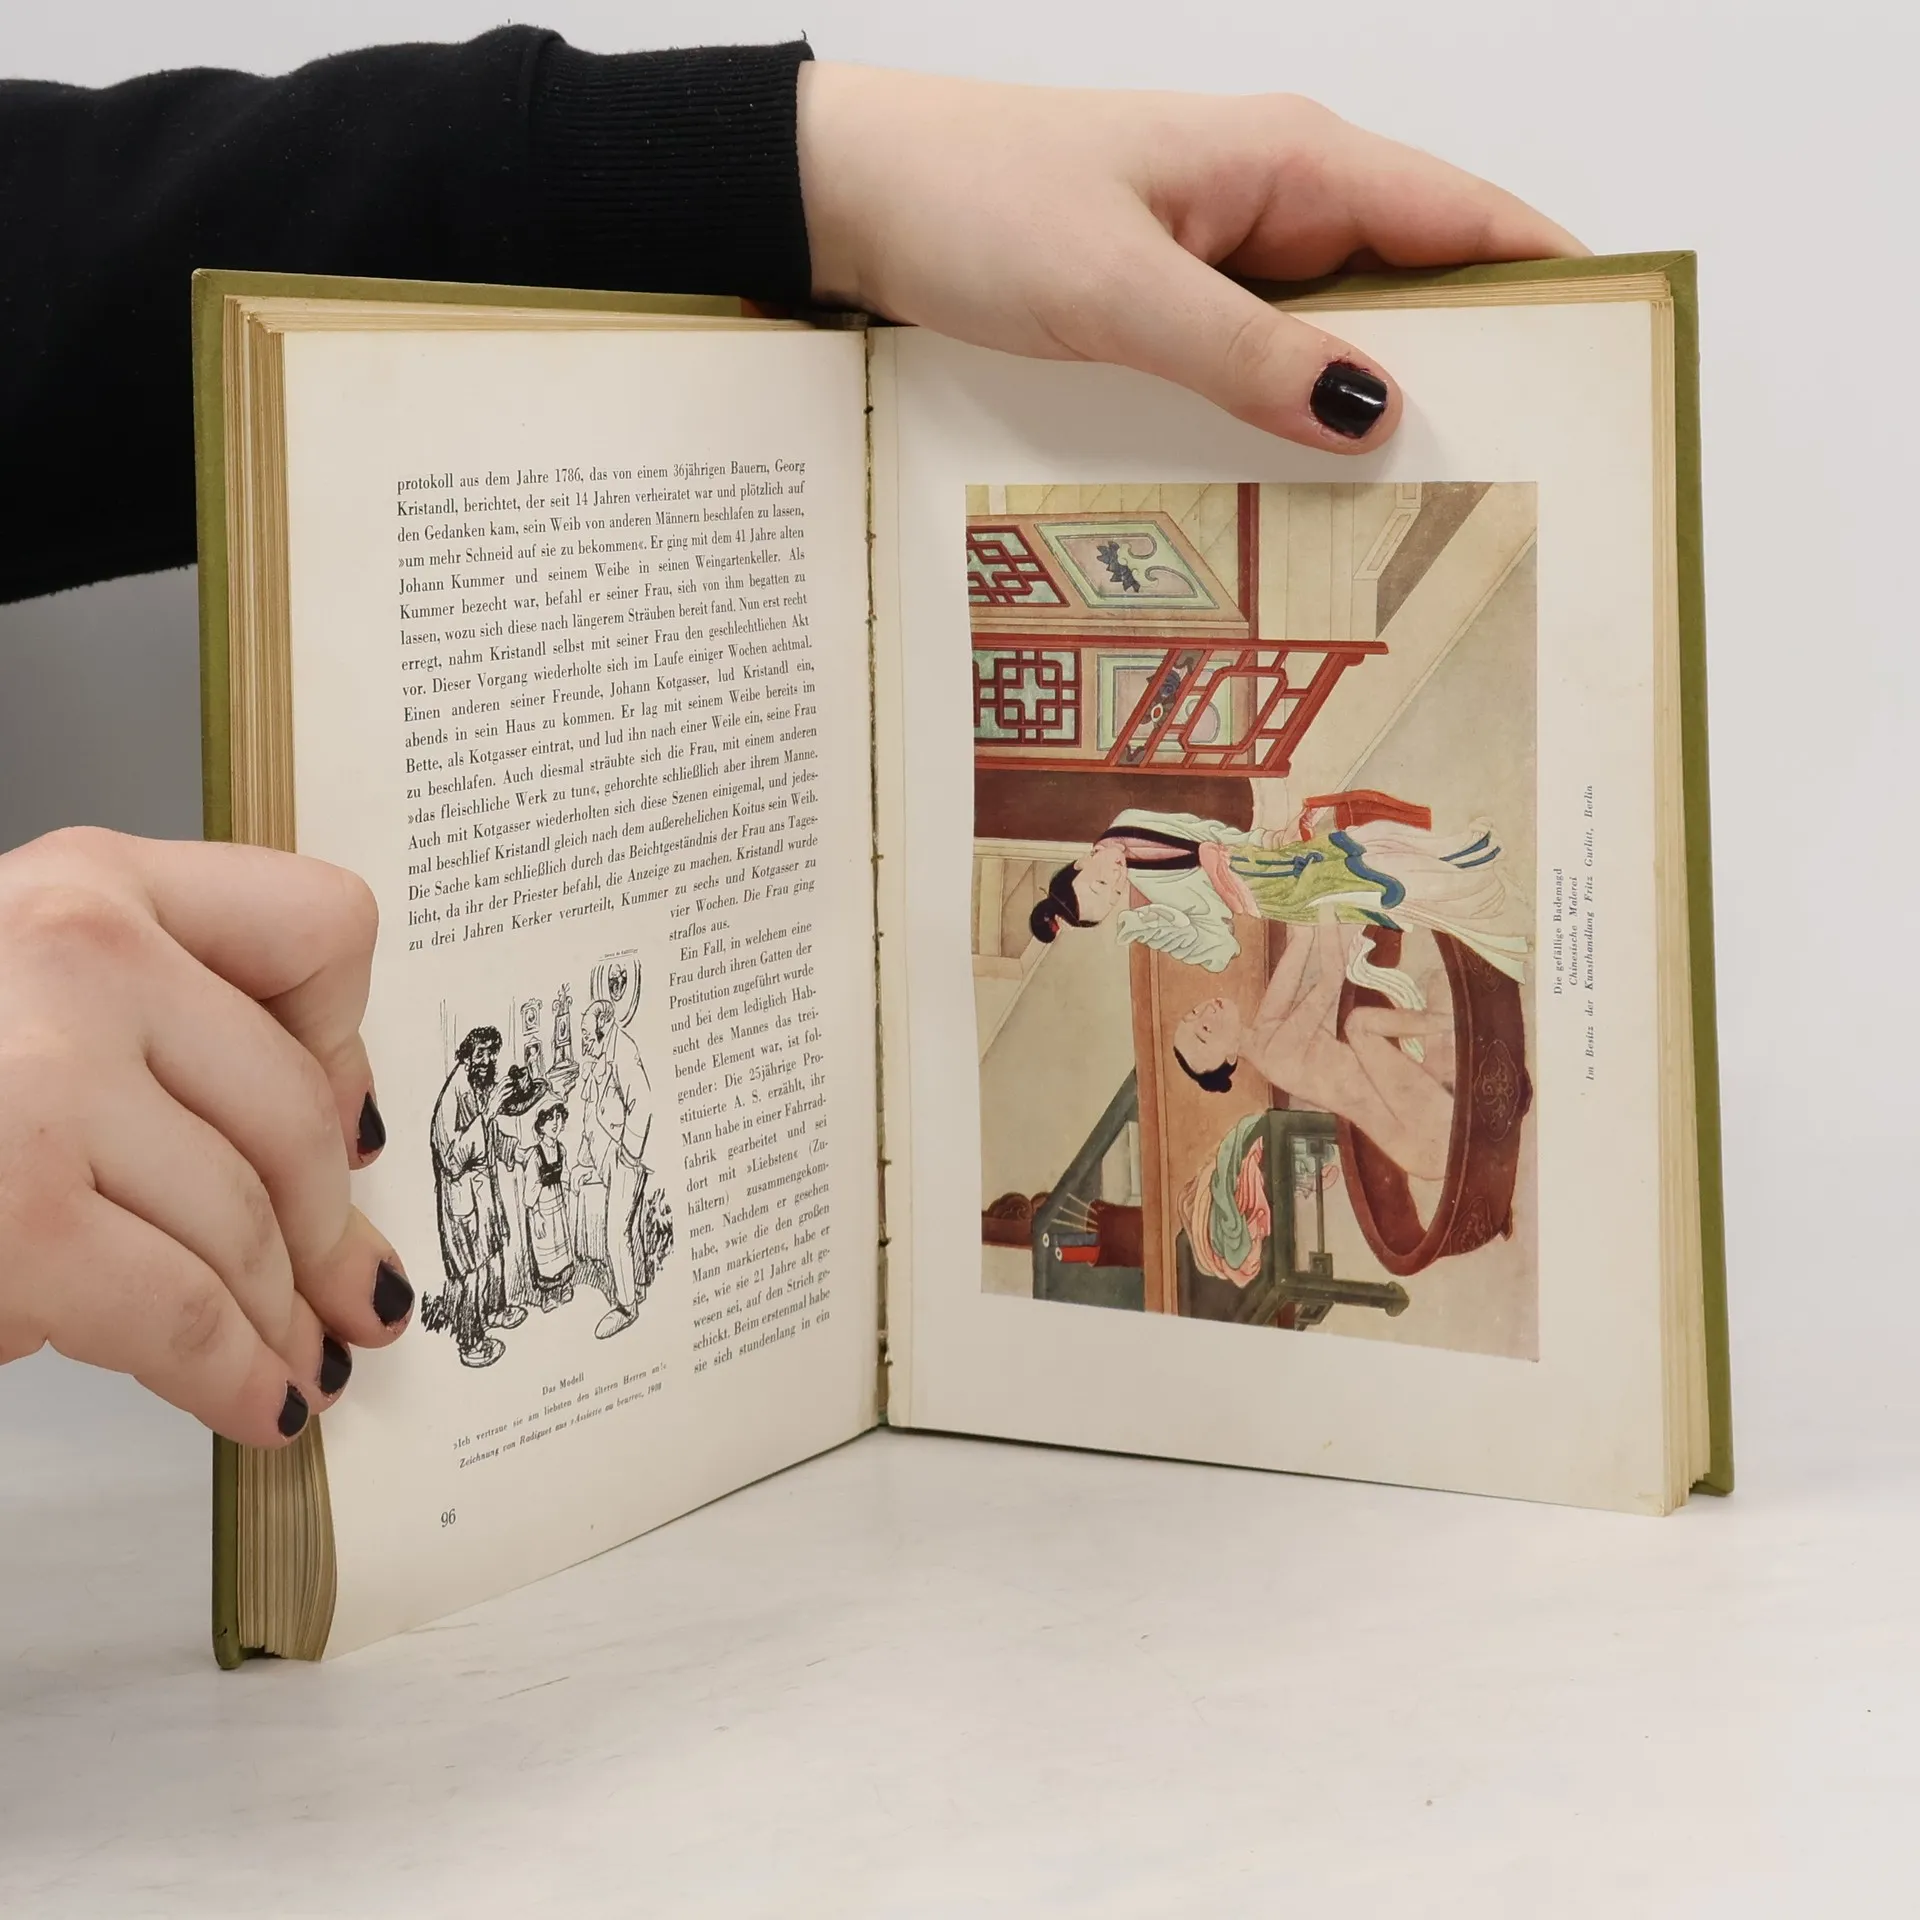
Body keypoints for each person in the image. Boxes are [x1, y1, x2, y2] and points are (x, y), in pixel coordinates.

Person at [0, 31, 1583, 1448]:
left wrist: (807, 168)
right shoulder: (1174, 888)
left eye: (1096, 888)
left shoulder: (1177, 883)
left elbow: (69, 262)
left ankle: (1433, 1111)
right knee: (1277, 1030)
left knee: (1287, 1017)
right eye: (1099, 887)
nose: (1102, 888)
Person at [1030, 805, 1530, 992]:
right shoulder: (1155, 895)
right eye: (1114, 896)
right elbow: (1220, 950)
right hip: (1273, 891)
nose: (1118, 884)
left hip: (1266, 857)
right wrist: (1158, 926)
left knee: (1369, 838)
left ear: (1081, 862)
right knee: (1380, 877)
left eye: (1100, 884)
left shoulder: (1126, 822)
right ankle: (1482, 899)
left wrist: (1268, 838)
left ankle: (1467, 852)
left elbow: (1203, 831)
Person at [1172, 911, 1458, 1183]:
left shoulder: (1263, 1028)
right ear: (1229, 1057)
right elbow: (1332, 978)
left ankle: (1448, 1024)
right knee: (1358, 1026)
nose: (1207, 1012)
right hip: (1423, 1136)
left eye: (1194, 1012)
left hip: (1417, 1111)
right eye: (1205, 1030)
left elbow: (1303, 938)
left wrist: (1305, 898)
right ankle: (1449, 1023)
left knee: (1439, 984)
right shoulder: (1274, 1054)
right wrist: (1326, 906)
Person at [428, 1026, 529, 1369]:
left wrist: (515, 1151)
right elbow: (451, 1158)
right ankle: (471, 1342)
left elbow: (491, 1134)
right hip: (463, 1202)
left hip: (485, 1195)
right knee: (470, 1269)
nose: (486, 1060)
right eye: (480, 1053)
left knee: (495, 1250)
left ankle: (496, 1309)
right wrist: (487, 1115)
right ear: (466, 1056)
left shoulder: (478, 1087)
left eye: (491, 1053)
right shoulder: (452, 1094)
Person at [577, 1000, 655, 1341]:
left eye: (586, 1033)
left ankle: (626, 1307)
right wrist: (585, 1160)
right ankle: (637, 1285)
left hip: (624, 1156)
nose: (583, 1040)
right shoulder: (601, 1054)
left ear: (604, 1025)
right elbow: (592, 1111)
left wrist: (629, 1152)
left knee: (615, 1234)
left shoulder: (624, 1050)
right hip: (610, 1155)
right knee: (628, 1227)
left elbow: (643, 1102)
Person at [524, 1102, 576, 1311]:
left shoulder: (561, 1149)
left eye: (559, 1117)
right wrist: (535, 1214)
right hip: (542, 1209)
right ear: (540, 1124)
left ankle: (565, 1285)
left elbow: (565, 1176)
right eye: (550, 1118)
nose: (555, 1123)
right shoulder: (535, 1155)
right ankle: (547, 1295)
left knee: (561, 1247)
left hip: (558, 1205)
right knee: (544, 1251)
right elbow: (531, 1187)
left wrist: (569, 1191)